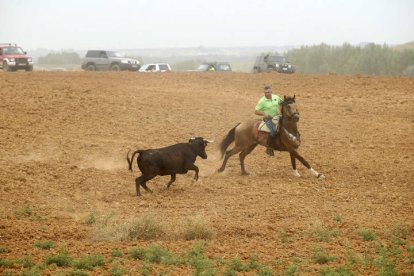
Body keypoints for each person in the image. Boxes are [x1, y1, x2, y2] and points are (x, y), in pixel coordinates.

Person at [254, 85, 283, 156]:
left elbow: (282, 103)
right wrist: (264, 113)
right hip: (268, 119)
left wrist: (280, 110)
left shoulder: (276, 97)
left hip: (277, 116)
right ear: (264, 93)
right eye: (266, 92)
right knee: (274, 130)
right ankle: (269, 148)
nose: (267, 94)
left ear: (271, 92)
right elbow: (256, 111)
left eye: (268, 92)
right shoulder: (262, 101)